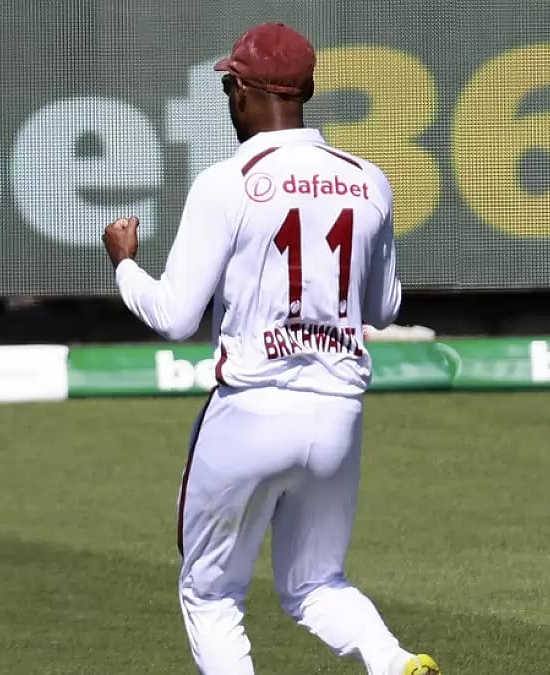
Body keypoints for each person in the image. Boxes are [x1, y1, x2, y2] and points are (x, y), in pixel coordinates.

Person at [101, 22, 440, 675]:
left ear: (242, 92)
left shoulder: (227, 181)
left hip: (252, 408)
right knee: (317, 584)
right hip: (338, 412)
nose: (229, 96)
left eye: (231, 84)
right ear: (308, 88)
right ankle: (392, 659)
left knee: (210, 592)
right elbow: (383, 308)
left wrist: (123, 265)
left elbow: (174, 316)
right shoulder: (369, 179)